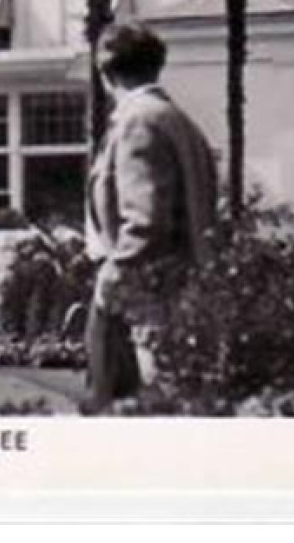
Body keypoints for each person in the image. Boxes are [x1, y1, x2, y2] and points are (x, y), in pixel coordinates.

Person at [82, 23, 217, 412]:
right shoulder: (179, 119)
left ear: (105, 70)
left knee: (137, 405)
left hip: (146, 298)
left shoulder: (138, 121)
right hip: (183, 286)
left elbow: (145, 219)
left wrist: (114, 273)